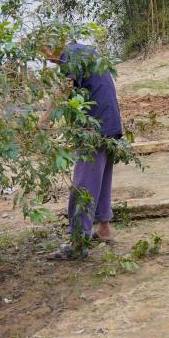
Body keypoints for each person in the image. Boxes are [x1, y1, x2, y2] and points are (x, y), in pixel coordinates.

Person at [41, 40, 124, 259]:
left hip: (95, 128)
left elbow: (65, 88)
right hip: (111, 122)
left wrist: (44, 120)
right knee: (101, 178)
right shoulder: (83, 50)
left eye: (45, 51)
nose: (47, 58)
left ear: (52, 44)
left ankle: (78, 243)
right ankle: (104, 228)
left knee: (83, 185)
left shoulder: (70, 55)